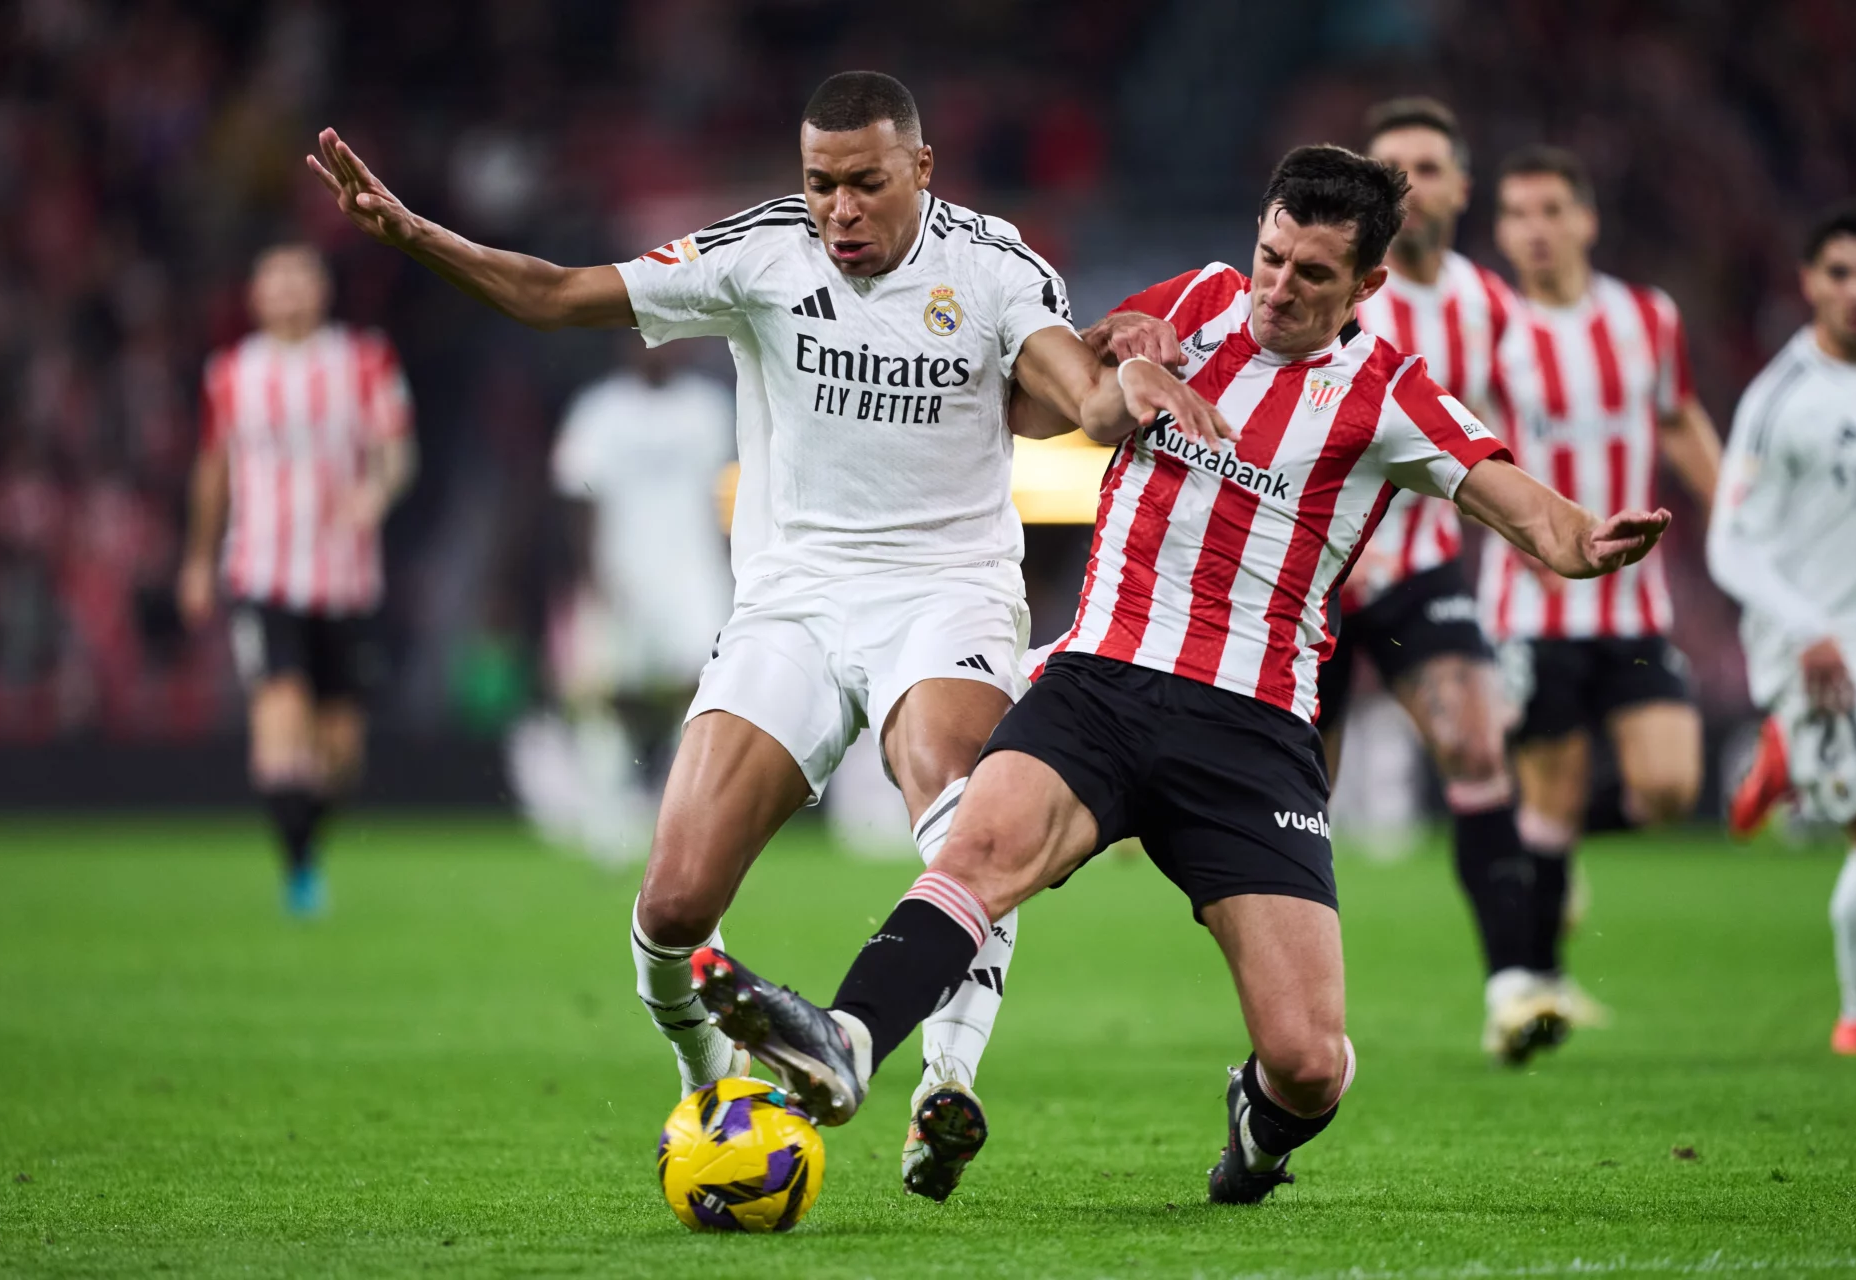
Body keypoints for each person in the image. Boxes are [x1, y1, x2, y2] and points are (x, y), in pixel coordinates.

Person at [688, 144, 1673, 1205]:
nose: (1278, 290)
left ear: (1368, 287)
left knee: (1307, 1058)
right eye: (1272, 256)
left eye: (1312, 276)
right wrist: (1123, 345)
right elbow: (1055, 379)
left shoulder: (1390, 392)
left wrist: (1583, 538)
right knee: (977, 844)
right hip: (1101, 681)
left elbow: (1520, 503)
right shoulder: (1202, 297)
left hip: (1250, 735)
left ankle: (1260, 1121)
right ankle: (845, 1039)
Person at [307, 70, 1223, 1199]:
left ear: (921, 173)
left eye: (866, 184)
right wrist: (412, 234)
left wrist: (1128, 375)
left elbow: (1075, 400)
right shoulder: (760, 254)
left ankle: (948, 1076)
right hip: (789, 602)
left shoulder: (991, 266)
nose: (838, 209)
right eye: (820, 183)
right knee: (673, 903)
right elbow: (552, 293)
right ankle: (714, 1085)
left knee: (959, 813)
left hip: (945, 595)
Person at [1312, 98, 1550, 1062]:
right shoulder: (1339, 290)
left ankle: (1514, 985)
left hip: (1419, 570)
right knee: (1290, 798)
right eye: (1392, 167)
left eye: (1428, 167)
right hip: (1314, 579)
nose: (1411, 184)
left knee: (1478, 749)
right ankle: (1299, 1018)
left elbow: (1491, 439)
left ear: (1459, 187)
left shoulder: (1488, 303)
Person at [1481, 145, 1721, 1022]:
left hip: (1636, 601)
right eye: (1517, 215)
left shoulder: (1647, 318)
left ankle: (1560, 860)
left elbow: (1680, 417)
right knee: (1549, 790)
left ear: (1586, 218)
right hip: (1532, 601)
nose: (1535, 231)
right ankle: (1536, 983)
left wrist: (1728, 501)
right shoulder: (1493, 327)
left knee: (1669, 787)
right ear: (1501, 229)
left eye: (1551, 211)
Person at [178, 244, 416, 916]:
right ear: (254, 294)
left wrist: (375, 490)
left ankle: (305, 845)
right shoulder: (229, 374)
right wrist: (197, 560)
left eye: (299, 276)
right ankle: (299, 873)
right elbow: (213, 470)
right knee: (279, 714)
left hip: (345, 579)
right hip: (262, 572)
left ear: (322, 288)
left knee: (340, 751)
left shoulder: (366, 360)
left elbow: (397, 451)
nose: (286, 290)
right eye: (273, 277)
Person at [1707, 201, 1856, 1055]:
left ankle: (1786, 754)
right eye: (1840, 274)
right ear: (1811, 282)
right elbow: (1729, 544)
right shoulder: (1783, 398)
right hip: (1826, 653)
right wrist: (1807, 627)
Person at [526, 341, 736, 858]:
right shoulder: (599, 410)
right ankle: (610, 818)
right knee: (603, 694)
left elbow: (730, 493)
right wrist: (591, 574)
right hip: (621, 575)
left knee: (704, 691)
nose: (656, 345)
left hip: (694, 576)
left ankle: (679, 805)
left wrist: (736, 565)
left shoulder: (710, 408)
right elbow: (576, 497)